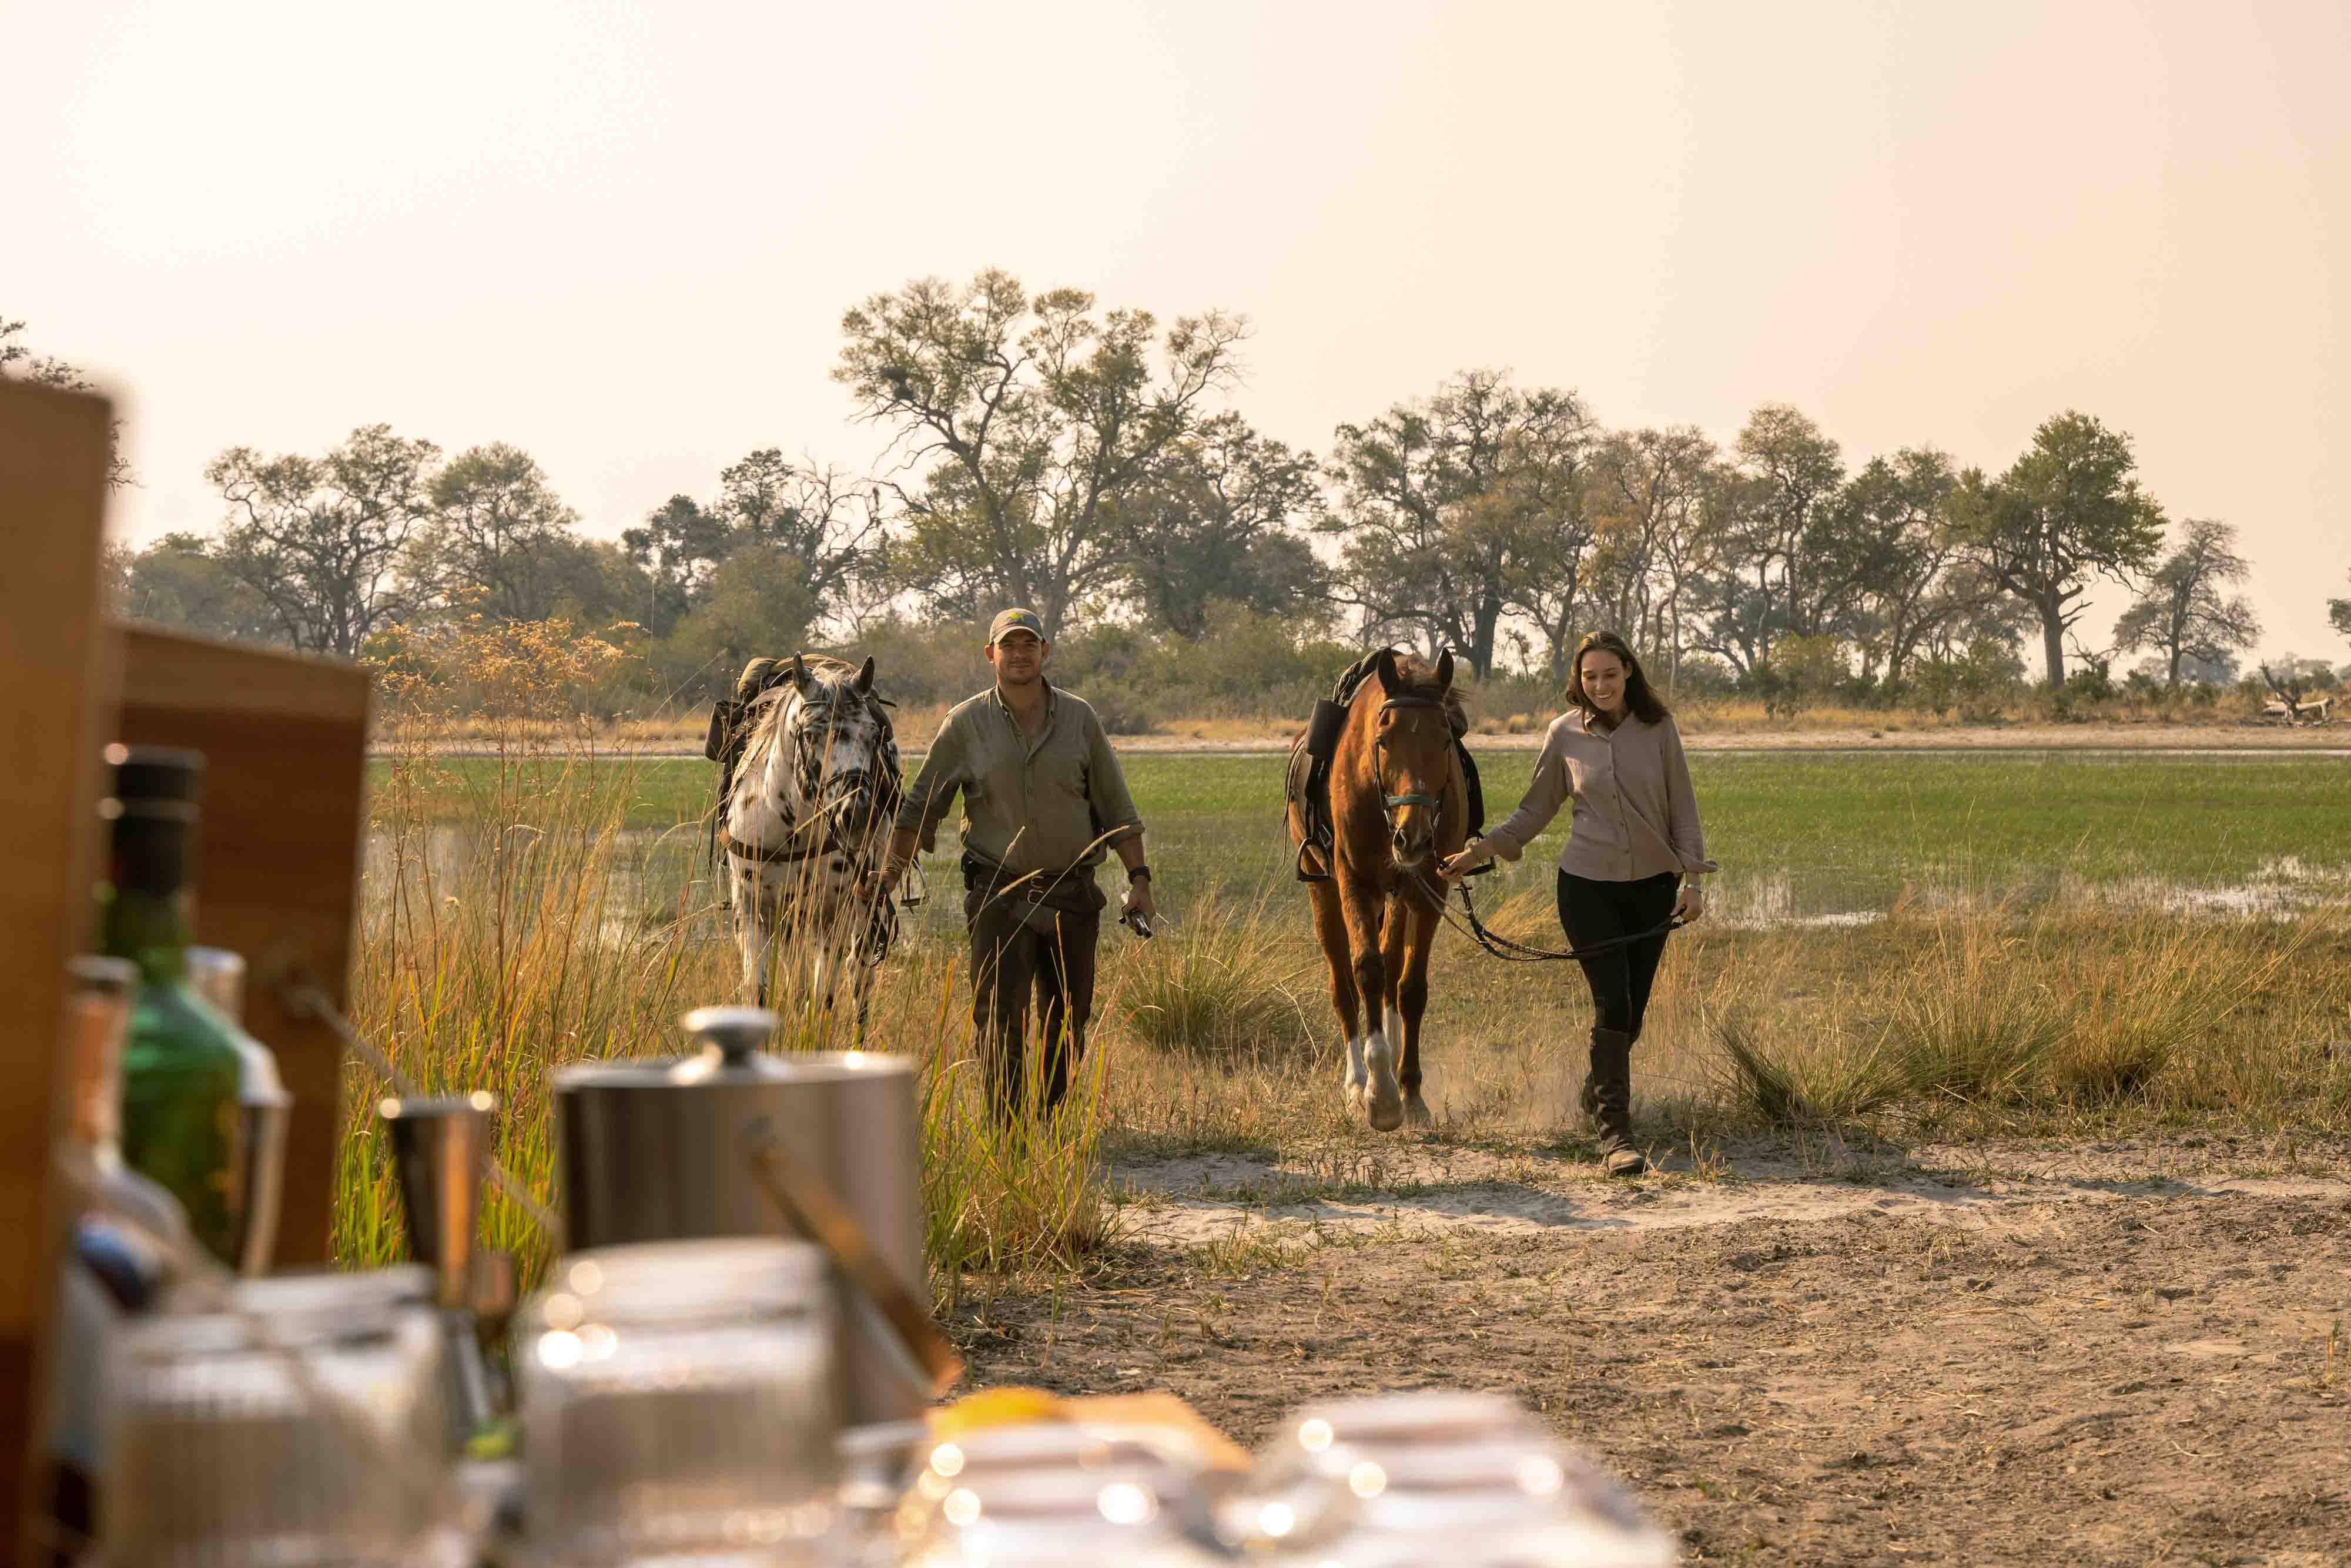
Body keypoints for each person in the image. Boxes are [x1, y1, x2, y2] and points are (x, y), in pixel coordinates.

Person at [1439, 631, 1713, 1175]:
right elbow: (1533, 812)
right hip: (1586, 887)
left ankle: (1595, 1090)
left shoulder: (1660, 730)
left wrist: (1694, 881)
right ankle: (1615, 1135)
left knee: (1631, 1017)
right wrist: (1479, 850)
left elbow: (1683, 805)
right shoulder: (1563, 735)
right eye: (1590, 677)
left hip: (1654, 889)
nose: (1601, 685)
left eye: (1610, 674)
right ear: (1578, 680)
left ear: (1629, 672)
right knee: (1612, 1004)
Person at [869, 609, 1158, 1123]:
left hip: (1072, 894)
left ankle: (1045, 1121)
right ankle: (1008, 1132)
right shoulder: (964, 724)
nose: (1020, 654)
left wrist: (1140, 879)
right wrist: (887, 878)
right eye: (1009, 646)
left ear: (1045, 653)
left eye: (1030, 645)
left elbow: (1118, 808)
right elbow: (921, 808)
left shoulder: (1079, 719)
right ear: (991, 655)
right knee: (1000, 1021)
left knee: (1067, 1022)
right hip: (999, 895)